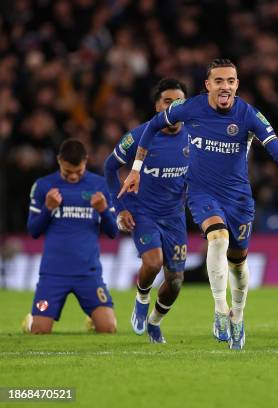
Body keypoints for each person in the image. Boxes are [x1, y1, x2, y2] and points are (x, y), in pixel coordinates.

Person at [119, 58, 278, 349]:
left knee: (238, 263)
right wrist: (136, 168)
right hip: (201, 193)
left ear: (237, 85)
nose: (225, 86)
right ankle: (219, 309)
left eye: (231, 81)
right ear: (208, 85)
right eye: (219, 81)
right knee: (217, 239)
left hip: (238, 198)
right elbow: (151, 127)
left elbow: (277, 151)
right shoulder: (189, 108)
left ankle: (237, 316)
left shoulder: (249, 114)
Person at [104, 78, 189, 344]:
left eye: (179, 102)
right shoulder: (139, 136)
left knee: (175, 281)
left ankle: (154, 322)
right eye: (168, 102)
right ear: (157, 107)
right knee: (152, 263)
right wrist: (120, 209)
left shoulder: (197, 136)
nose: (173, 107)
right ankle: (141, 298)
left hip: (175, 217)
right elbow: (109, 167)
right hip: (143, 212)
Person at [22, 139, 118, 334]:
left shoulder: (100, 185)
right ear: (59, 161)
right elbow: (33, 231)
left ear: (86, 161)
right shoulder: (43, 186)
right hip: (53, 274)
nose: (73, 176)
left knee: (108, 328)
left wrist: (104, 211)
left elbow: (113, 232)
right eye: (68, 172)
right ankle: (30, 321)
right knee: (40, 331)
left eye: (79, 171)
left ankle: (92, 319)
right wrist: (48, 209)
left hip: (88, 273)